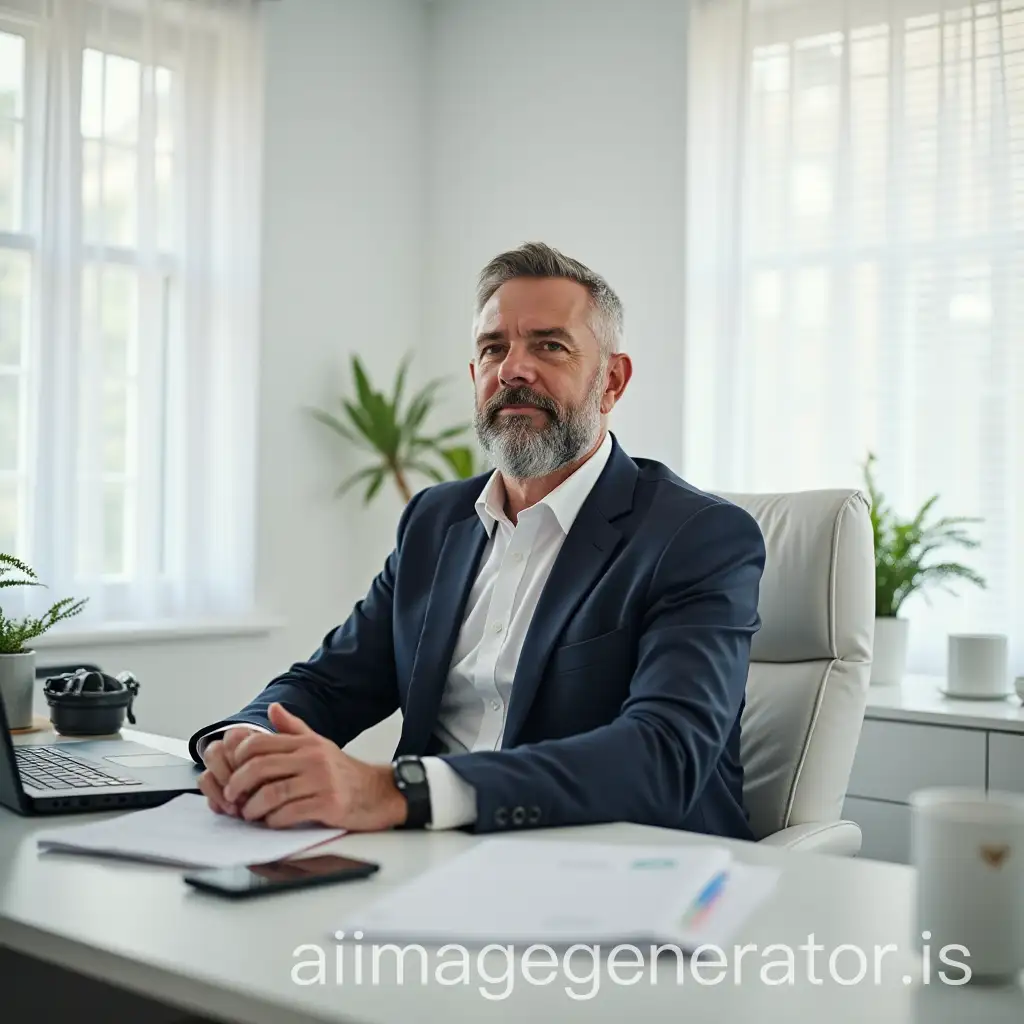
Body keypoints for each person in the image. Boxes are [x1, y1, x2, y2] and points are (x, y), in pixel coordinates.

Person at [189, 241, 766, 840]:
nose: (513, 369)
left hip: (620, 866)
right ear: (475, 377)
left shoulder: (697, 537)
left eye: (549, 345)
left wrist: (396, 790)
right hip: (430, 857)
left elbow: (665, 756)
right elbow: (332, 682)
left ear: (612, 382)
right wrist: (245, 745)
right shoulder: (436, 521)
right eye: (494, 349)